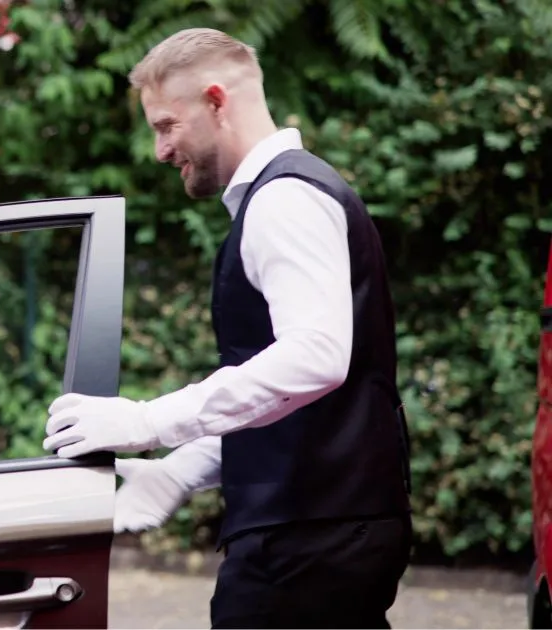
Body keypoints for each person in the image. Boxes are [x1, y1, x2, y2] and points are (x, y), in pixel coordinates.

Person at [42, 28, 413, 628]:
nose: (160, 150)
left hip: (310, 537)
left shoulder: (284, 200)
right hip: (321, 531)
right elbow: (298, 398)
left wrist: (147, 421)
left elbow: (316, 357)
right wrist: (181, 470)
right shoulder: (286, 195)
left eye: (167, 125)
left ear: (216, 101)